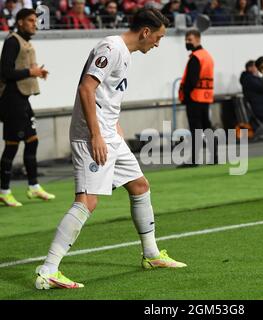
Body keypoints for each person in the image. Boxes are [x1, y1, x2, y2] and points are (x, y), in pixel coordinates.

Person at [35, 8, 186, 290]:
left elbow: (105, 95)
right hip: (93, 136)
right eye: (158, 37)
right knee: (87, 201)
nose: (157, 43)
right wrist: (96, 135)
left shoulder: (123, 52)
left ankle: (151, 254)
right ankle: (48, 270)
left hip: (108, 133)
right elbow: (86, 89)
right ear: (145, 32)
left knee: (140, 186)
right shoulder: (111, 47)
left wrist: (113, 125)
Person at [0, 9, 55, 207]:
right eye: (31, 20)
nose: (35, 24)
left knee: (32, 141)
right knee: (12, 145)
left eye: (36, 20)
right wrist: (30, 71)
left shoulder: (26, 42)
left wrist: (37, 72)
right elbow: (5, 72)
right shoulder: (12, 41)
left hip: (22, 99)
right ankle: (4, 191)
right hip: (11, 100)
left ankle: (33, 186)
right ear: (21, 22)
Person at [178, 29, 217, 167]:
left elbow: (192, 80)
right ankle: (215, 157)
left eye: (190, 40)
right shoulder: (207, 56)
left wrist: (185, 95)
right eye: (186, 40)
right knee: (207, 127)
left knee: (196, 130)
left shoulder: (195, 57)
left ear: (198, 40)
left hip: (194, 97)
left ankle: (194, 160)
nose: (187, 42)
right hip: (206, 96)